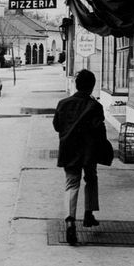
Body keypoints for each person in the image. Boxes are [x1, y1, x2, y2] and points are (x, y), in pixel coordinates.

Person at [52, 69, 105, 245]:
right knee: (91, 179)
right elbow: (99, 131)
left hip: (69, 150)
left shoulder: (63, 103)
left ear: (76, 85)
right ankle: (89, 213)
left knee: (71, 184)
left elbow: (57, 126)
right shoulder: (95, 106)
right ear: (92, 87)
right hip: (89, 151)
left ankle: (69, 221)